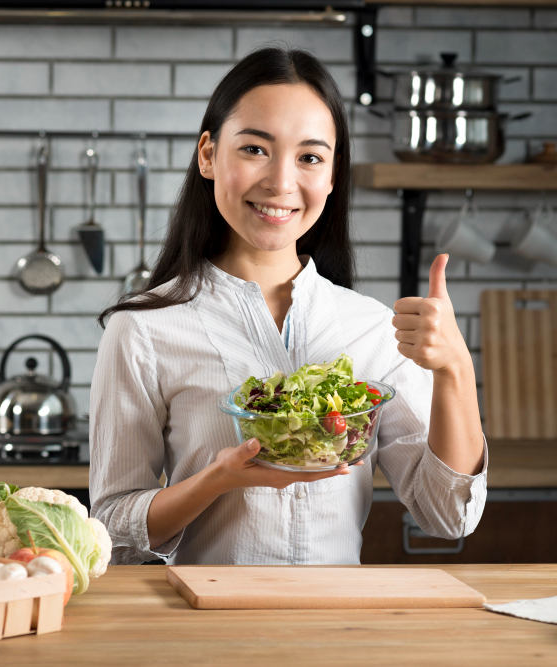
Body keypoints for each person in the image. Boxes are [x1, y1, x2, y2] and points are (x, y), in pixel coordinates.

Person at [89, 47, 486, 565]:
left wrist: (456, 368)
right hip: (203, 628)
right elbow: (111, 529)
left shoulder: (371, 328)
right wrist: (218, 479)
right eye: (255, 149)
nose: (281, 182)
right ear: (208, 154)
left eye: (310, 157)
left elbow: (448, 516)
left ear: (333, 174)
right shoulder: (143, 327)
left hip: (335, 630)